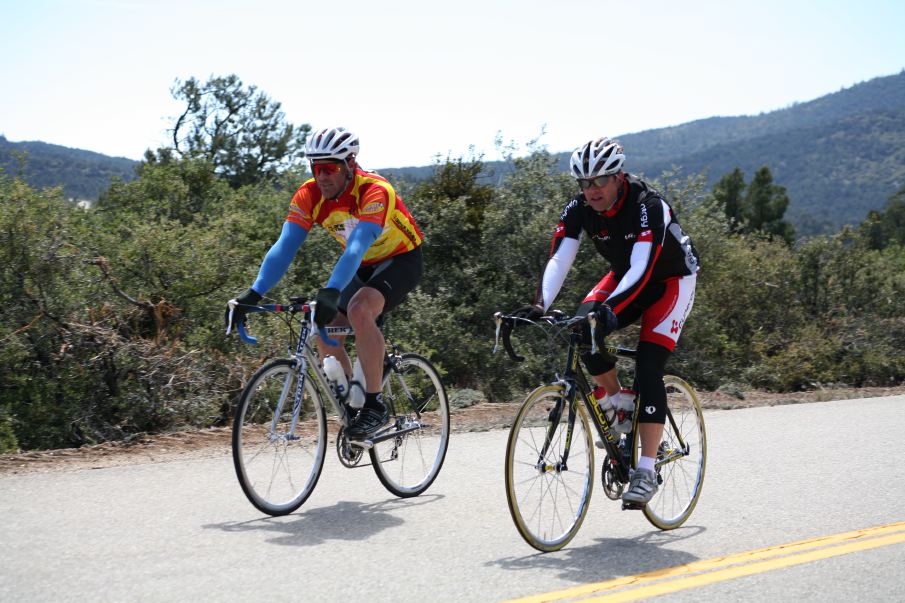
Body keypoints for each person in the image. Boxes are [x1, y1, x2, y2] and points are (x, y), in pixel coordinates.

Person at [512, 137, 700, 505]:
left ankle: (646, 469)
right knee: (582, 330)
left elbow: (644, 267)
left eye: (600, 181)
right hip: (625, 274)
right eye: (584, 183)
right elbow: (560, 259)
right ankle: (619, 402)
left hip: (671, 281)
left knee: (649, 364)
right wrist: (539, 305)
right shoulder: (579, 207)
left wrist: (609, 309)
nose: (591, 190)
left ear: (620, 177)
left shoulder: (649, 206)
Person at [227, 126, 424, 439]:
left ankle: (374, 406)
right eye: (316, 168)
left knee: (359, 309)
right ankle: (353, 405)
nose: (322, 177)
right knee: (325, 319)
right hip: (362, 266)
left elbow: (357, 246)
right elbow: (285, 246)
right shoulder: (310, 195)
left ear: (350, 165)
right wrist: (254, 292)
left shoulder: (375, 191)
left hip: (401, 260)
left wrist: (333, 290)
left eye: (330, 168)